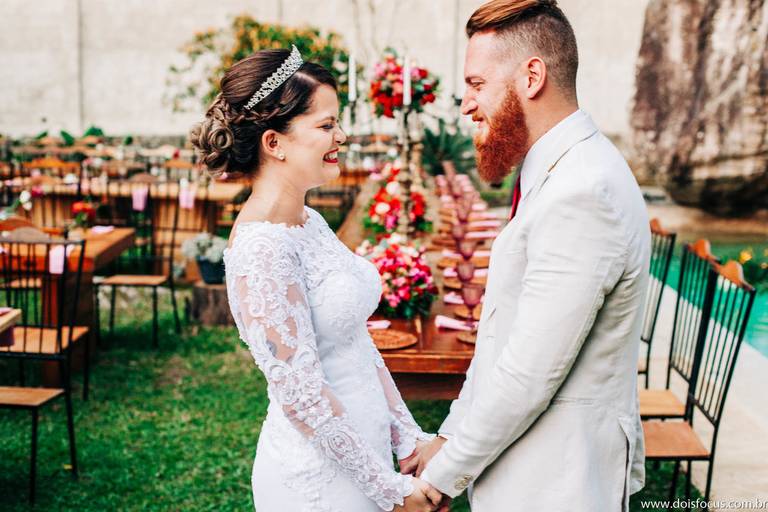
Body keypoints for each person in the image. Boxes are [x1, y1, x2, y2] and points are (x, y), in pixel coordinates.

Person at [402, 1, 650, 511]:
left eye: (476, 84)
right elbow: (500, 340)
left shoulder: (582, 190)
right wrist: (449, 437)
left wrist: (440, 479)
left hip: (557, 483)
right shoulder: (559, 170)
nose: (467, 105)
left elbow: (529, 373)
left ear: (531, 76)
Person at [190, 46, 441, 512]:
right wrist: (389, 492)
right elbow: (303, 398)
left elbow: (356, 345)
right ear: (275, 143)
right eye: (326, 126)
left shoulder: (307, 221)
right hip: (318, 481)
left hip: (362, 456)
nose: (341, 136)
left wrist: (406, 438)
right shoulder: (262, 249)